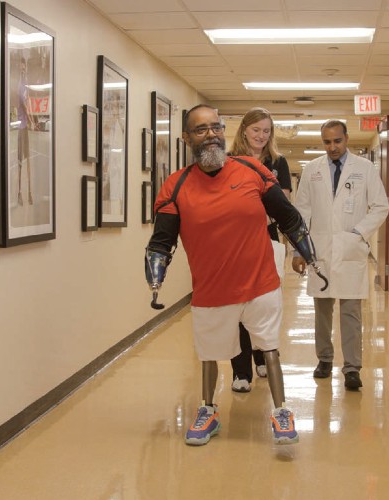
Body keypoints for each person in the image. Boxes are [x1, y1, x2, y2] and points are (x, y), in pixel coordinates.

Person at [145, 104, 322, 446]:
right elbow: (161, 242)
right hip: (211, 289)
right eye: (201, 130)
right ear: (187, 138)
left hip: (260, 282)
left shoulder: (251, 169)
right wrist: (156, 278)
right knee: (210, 352)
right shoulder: (176, 186)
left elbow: (287, 216)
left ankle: (282, 410)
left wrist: (307, 255)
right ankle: (207, 410)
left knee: (268, 347)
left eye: (215, 128)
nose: (211, 134)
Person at [292, 120, 389, 390]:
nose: (332, 147)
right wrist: (297, 250)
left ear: (346, 139)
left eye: (337, 141)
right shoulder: (312, 170)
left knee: (351, 312)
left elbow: (381, 207)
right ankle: (324, 359)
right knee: (322, 310)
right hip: (319, 249)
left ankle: (352, 368)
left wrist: (358, 233)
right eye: (327, 142)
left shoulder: (365, 168)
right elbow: (301, 214)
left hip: (350, 248)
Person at [228, 107, 292, 393]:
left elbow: (284, 204)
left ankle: (261, 356)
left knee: (263, 305)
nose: (261, 136)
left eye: (267, 131)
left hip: (267, 239)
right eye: (256, 130)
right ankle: (240, 372)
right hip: (234, 243)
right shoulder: (228, 161)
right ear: (244, 130)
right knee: (237, 307)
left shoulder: (279, 162)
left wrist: (256, 218)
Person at [16, 57, 35, 206]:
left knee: (27, 161)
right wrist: (32, 121)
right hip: (22, 129)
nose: (24, 70)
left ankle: (28, 193)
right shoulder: (21, 86)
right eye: (22, 68)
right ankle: (21, 193)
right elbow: (24, 106)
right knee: (22, 162)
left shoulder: (25, 86)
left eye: (25, 68)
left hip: (24, 128)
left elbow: (27, 103)